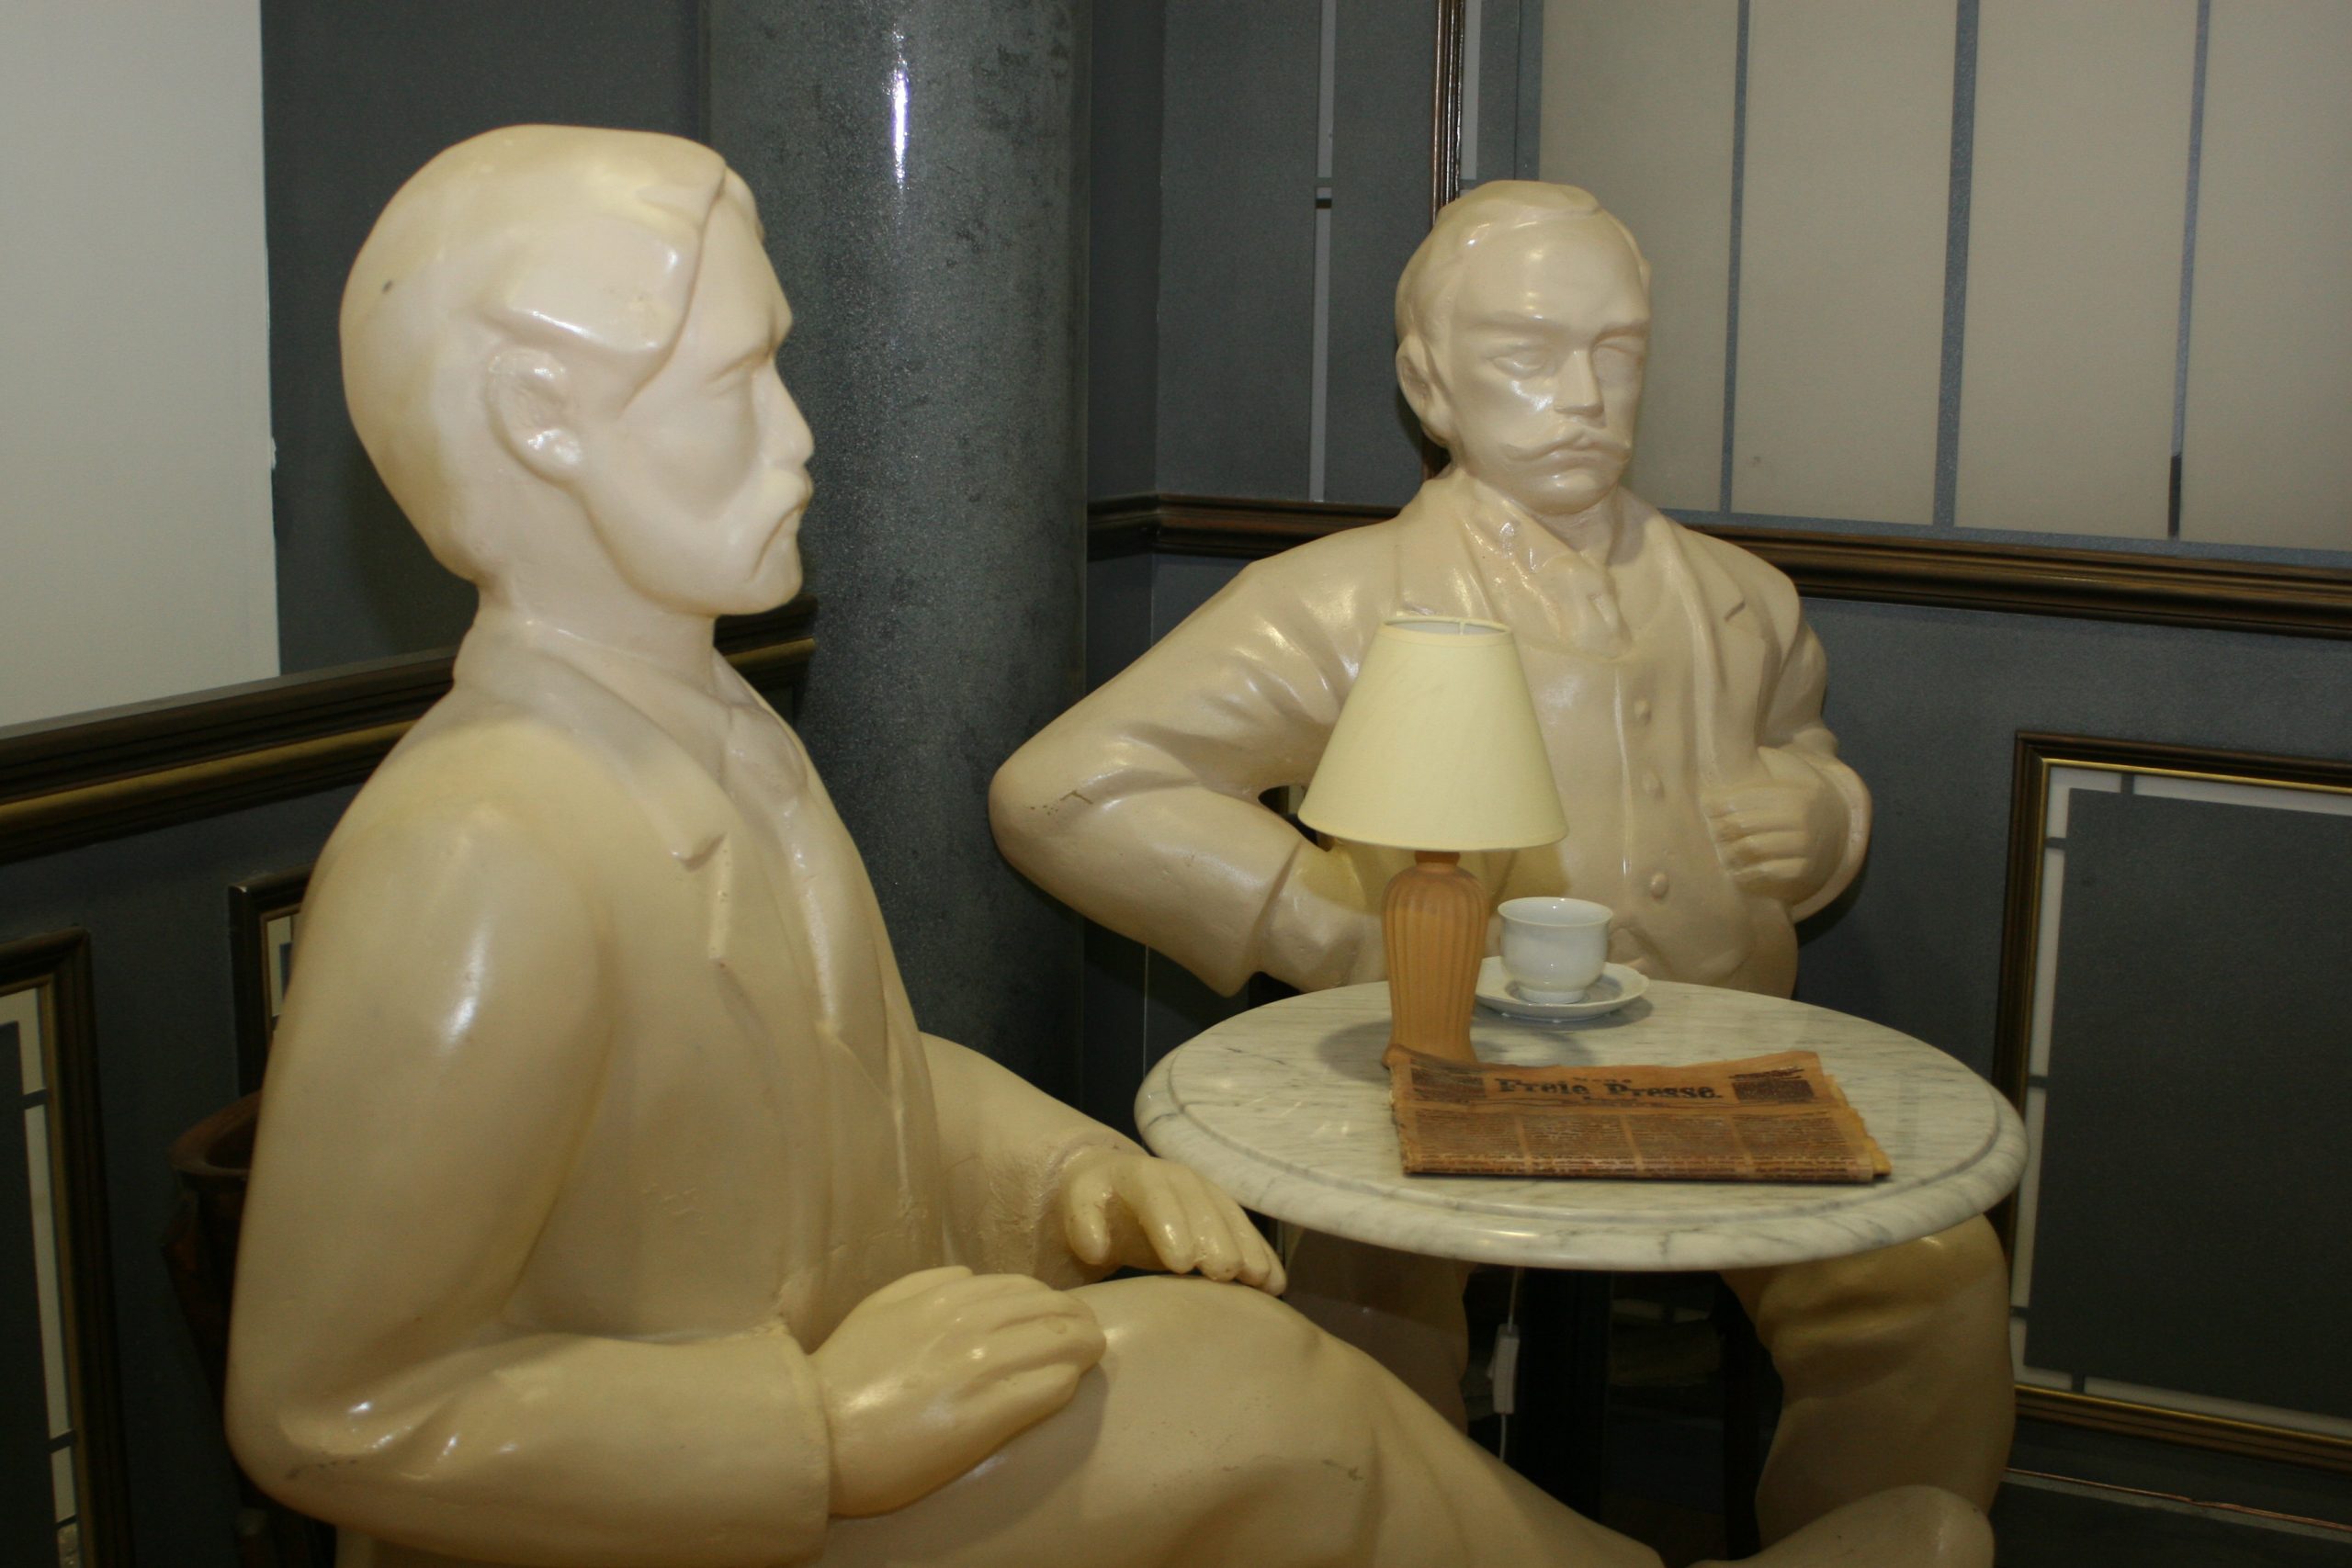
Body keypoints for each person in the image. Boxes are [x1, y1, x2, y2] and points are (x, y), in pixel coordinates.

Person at [222, 130, 1985, 1568]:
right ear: (541, 419)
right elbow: (327, 1411)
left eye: (1618, 353)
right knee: (1261, 1394)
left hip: (875, 1389)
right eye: (738, 383)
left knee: (1260, 1382)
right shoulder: (477, 850)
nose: (804, 436)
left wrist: (1059, 1164)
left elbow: (846, 1082)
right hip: (702, 1509)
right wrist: (806, 1427)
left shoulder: (719, 736)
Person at [991, 181, 2015, 1542]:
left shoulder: (1743, 602)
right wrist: (1330, 925)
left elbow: (1798, 744)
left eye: (1617, 352)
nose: (1583, 395)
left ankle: (1870, 1542)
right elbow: (1069, 787)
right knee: (1357, 1311)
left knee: (1932, 1279)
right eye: (1529, 353)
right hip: (1436, 1076)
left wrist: (1828, 816)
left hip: (1716, 1071)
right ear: (1429, 383)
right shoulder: (1338, 602)